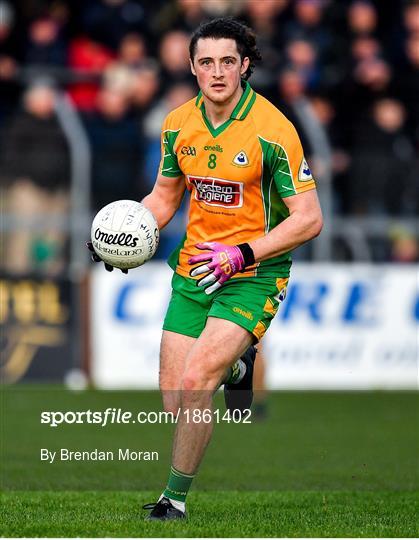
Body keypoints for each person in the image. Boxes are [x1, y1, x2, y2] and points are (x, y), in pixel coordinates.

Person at [87, 17, 322, 520]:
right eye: (206, 61)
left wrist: (244, 253)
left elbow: (309, 218)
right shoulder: (177, 124)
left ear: (244, 65)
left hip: (254, 274)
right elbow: (164, 198)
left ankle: (173, 501)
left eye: (227, 61)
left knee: (196, 382)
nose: (217, 71)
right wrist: (119, 235)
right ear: (192, 67)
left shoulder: (275, 131)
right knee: (177, 404)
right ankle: (238, 366)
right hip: (194, 272)